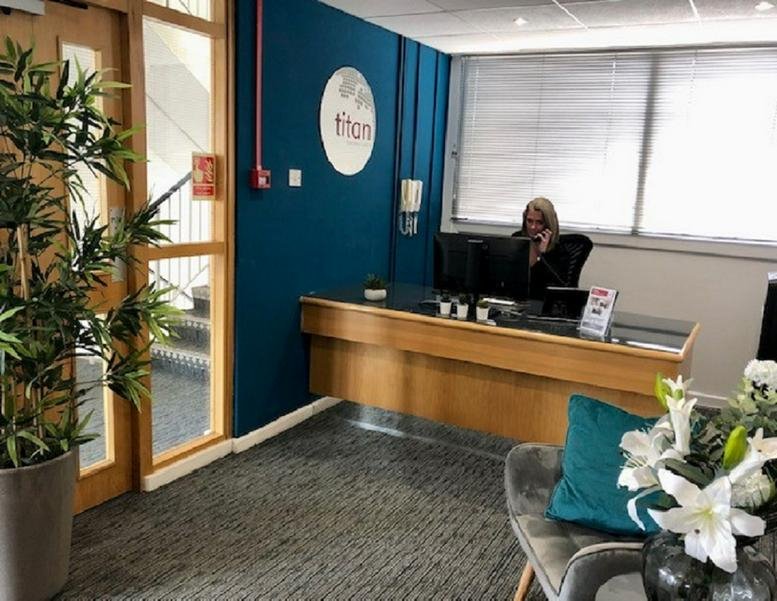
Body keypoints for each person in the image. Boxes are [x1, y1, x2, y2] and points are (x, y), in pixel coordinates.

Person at [512, 197, 569, 300]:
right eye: (529, 221)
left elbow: (556, 288)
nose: (533, 227)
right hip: (516, 299)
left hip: (542, 302)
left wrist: (543, 255)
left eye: (539, 222)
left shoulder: (560, 250)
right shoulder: (518, 239)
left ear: (548, 225)